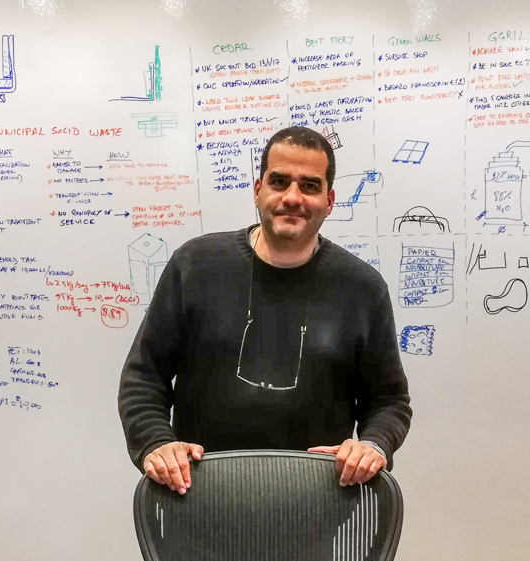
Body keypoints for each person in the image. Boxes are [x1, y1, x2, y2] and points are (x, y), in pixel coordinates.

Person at [118, 125, 412, 494]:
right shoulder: (195, 266)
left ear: (330, 200)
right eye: (279, 182)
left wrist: (372, 445)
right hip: (197, 497)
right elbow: (143, 378)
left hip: (315, 501)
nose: (293, 197)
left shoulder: (362, 288)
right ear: (258, 191)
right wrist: (157, 443)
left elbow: (389, 400)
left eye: (309, 185)